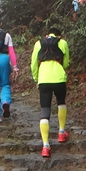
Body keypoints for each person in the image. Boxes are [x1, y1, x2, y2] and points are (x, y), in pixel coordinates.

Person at [30, 26, 70, 159]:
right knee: (61, 102)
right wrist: (60, 68)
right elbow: (66, 63)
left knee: (45, 110)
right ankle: (61, 132)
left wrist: (36, 78)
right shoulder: (62, 43)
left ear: (47, 35)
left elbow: (34, 64)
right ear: (59, 36)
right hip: (59, 78)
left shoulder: (38, 43)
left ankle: (46, 146)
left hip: (44, 79)